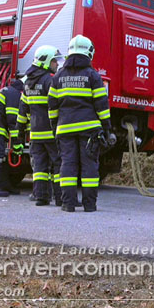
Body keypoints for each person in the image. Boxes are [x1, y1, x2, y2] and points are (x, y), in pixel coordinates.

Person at [48, 35, 116, 212]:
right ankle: (89, 205)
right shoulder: (92, 75)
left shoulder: (58, 77)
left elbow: (52, 106)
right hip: (89, 130)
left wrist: (55, 128)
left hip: (65, 128)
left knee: (67, 164)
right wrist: (107, 128)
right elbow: (101, 105)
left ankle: (68, 204)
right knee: (89, 166)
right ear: (89, 52)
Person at [17, 45, 64, 206]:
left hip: (35, 134)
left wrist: (20, 131)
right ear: (45, 62)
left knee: (39, 167)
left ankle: (41, 197)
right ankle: (60, 197)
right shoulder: (49, 81)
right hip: (51, 133)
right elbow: (57, 104)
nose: (56, 64)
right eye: (53, 61)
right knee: (58, 165)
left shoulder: (28, 83)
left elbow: (23, 109)